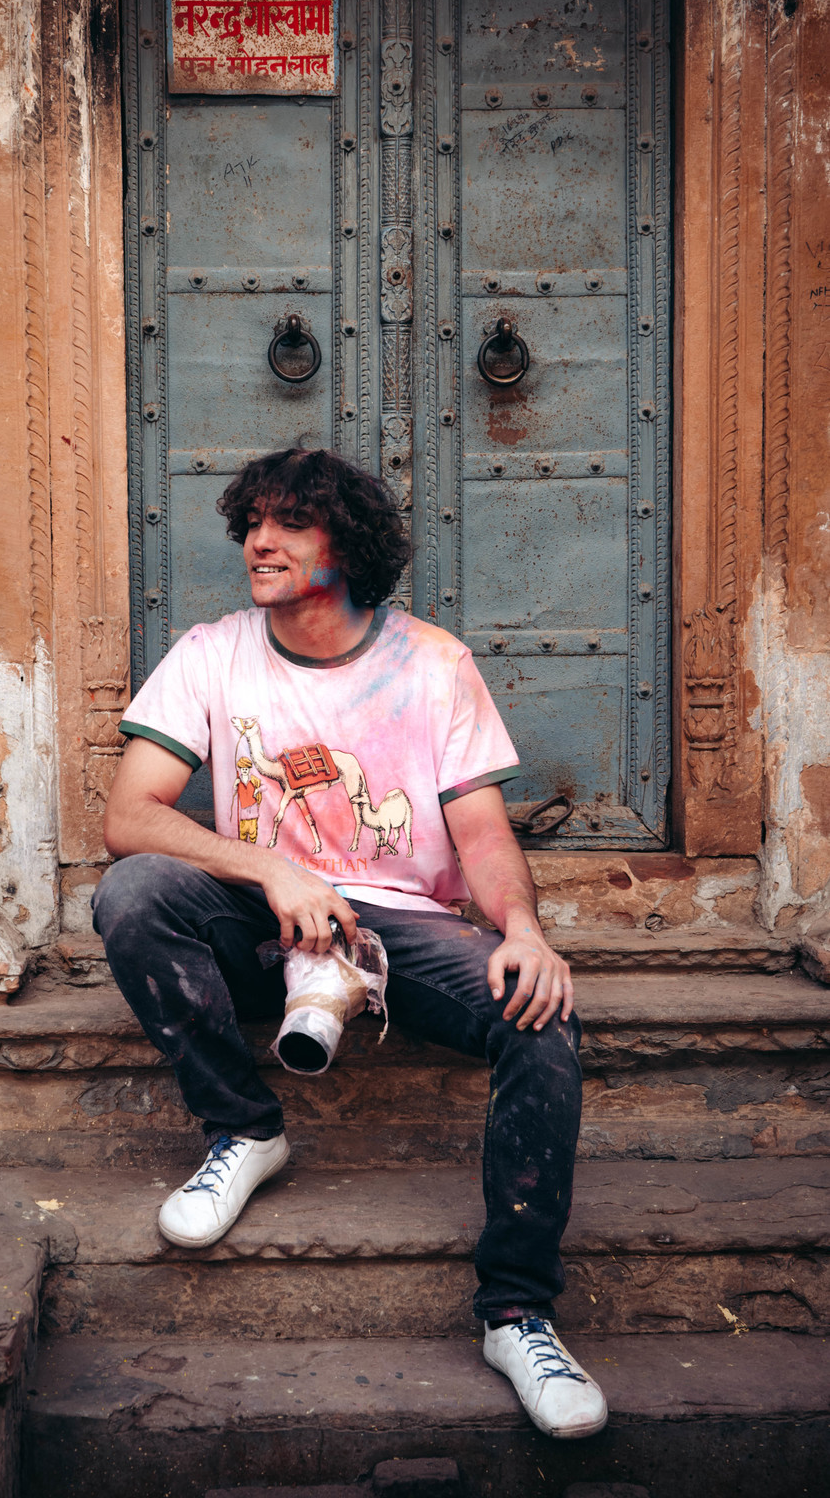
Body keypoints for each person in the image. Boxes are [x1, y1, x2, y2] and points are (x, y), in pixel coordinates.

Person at [94, 446, 607, 1440]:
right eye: (251, 522)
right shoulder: (213, 651)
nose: (259, 540)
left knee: (541, 1016)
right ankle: (244, 1129)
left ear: (349, 547)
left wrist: (525, 930)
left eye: (289, 523)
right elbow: (129, 813)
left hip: (399, 927)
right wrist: (274, 869)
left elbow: (482, 833)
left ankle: (515, 1313)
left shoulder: (431, 663)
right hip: (259, 921)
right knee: (134, 892)